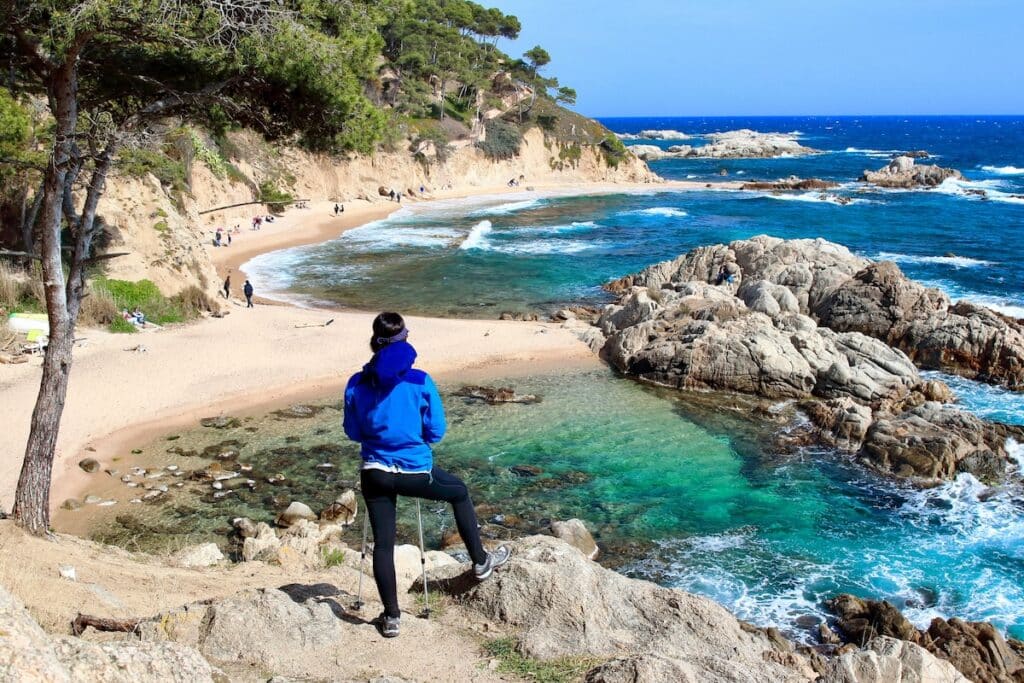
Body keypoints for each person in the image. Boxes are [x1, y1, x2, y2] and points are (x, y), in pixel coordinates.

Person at [343, 312, 511, 638]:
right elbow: (436, 431)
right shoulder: (420, 380)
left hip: (375, 472)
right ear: (404, 341)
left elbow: (353, 431)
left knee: (383, 545)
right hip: (415, 471)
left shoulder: (356, 382)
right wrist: (415, 437)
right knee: (459, 492)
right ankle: (480, 562)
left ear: (375, 343)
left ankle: (391, 617)